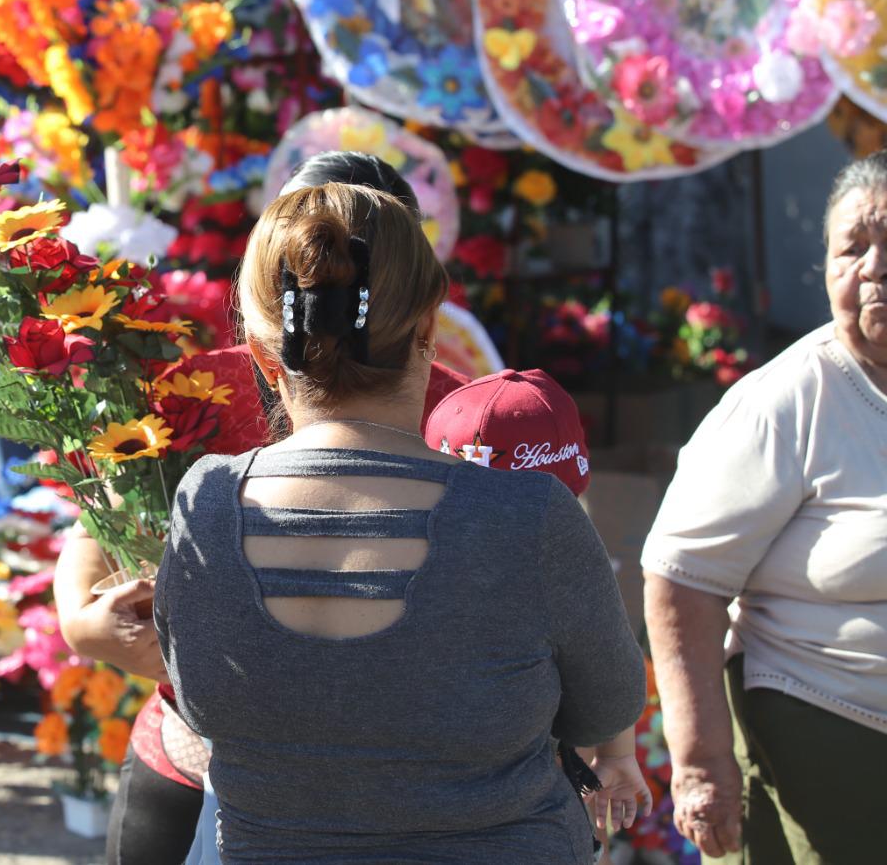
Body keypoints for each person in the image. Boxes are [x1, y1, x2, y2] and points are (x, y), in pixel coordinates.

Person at [156, 180, 644, 861]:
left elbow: (194, 687)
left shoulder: (204, 504)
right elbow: (606, 706)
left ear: (266, 363)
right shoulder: (526, 515)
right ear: (426, 333)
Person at [56, 152, 464, 865]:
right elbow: (96, 531)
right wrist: (86, 624)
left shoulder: (461, 410)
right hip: (189, 755)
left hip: (389, 778)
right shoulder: (190, 392)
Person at [641, 150, 886, 864]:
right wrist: (699, 766)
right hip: (824, 749)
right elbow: (679, 579)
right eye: (851, 248)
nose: (872, 268)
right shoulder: (786, 403)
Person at [426, 368, 653, 838]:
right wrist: (617, 756)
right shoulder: (565, 559)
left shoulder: (405, 549)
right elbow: (609, 671)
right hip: (522, 808)